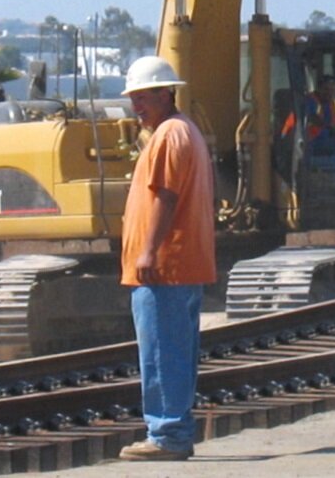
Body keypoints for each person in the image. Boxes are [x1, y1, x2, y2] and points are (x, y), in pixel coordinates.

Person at [117, 56, 217, 461]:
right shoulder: (183, 131)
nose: (137, 106)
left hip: (165, 267)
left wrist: (148, 249)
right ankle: (173, 430)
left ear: (166, 92)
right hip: (180, 264)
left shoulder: (169, 135)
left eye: (144, 97)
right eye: (133, 98)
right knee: (175, 348)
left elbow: (166, 195)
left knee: (161, 350)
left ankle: (167, 433)